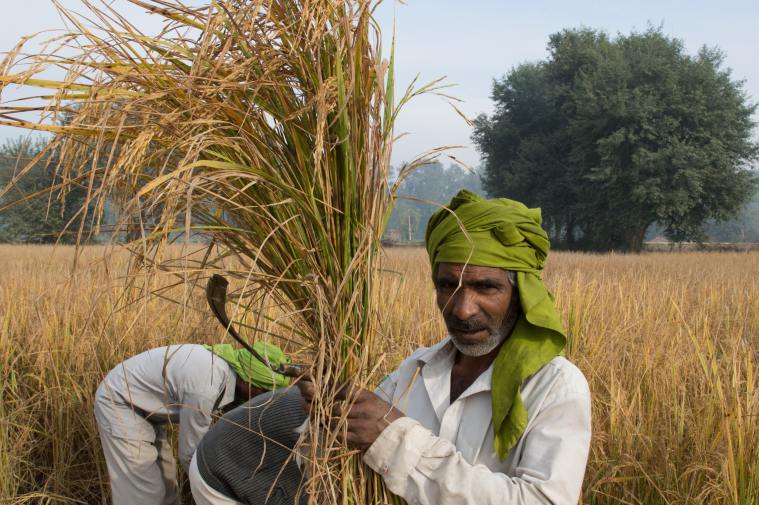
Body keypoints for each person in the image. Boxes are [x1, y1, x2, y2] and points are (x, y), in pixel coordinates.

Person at [189, 189, 592, 504]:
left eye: (486, 287)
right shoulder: (415, 370)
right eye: (447, 285)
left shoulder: (555, 386)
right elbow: (333, 467)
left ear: (521, 293)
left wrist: (393, 436)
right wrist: (325, 418)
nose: (463, 308)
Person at [94, 341, 291, 505]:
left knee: (167, 484)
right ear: (248, 381)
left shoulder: (225, 373)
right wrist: (224, 490)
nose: (263, 401)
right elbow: (191, 455)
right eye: (263, 392)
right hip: (121, 403)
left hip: (147, 409)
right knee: (145, 492)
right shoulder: (207, 386)